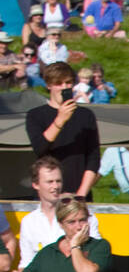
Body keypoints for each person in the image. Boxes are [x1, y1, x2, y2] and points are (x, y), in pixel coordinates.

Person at [26, 62, 100, 200]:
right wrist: (60, 120)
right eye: (58, 83)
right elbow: (40, 148)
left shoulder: (86, 115)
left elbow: (93, 158)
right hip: (48, 194)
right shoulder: (35, 115)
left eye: (68, 83)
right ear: (49, 85)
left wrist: (81, 195)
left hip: (79, 193)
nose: (64, 87)